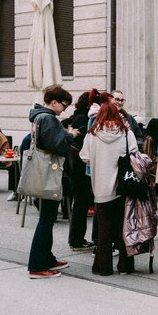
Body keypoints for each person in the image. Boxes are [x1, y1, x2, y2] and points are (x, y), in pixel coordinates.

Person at [80, 100, 138, 276]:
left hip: (101, 187)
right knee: (123, 227)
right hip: (123, 187)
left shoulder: (92, 134)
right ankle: (125, 266)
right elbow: (134, 153)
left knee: (103, 228)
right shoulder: (126, 133)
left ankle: (103, 267)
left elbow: (85, 157)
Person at [27, 84, 78, 279]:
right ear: (54, 102)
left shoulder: (38, 116)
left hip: (44, 172)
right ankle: (37, 265)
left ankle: (47, 258)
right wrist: (70, 135)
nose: (65, 109)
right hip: (50, 172)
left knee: (47, 218)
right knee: (46, 220)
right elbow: (57, 145)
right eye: (64, 105)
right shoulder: (48, 118)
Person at [67, 90, 98, 251]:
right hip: (79, 167)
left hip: (76, 166)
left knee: (80, 202)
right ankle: (77, 240)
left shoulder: (79, 116)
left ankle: (76, 239)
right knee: (81, 202)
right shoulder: (84, 118)